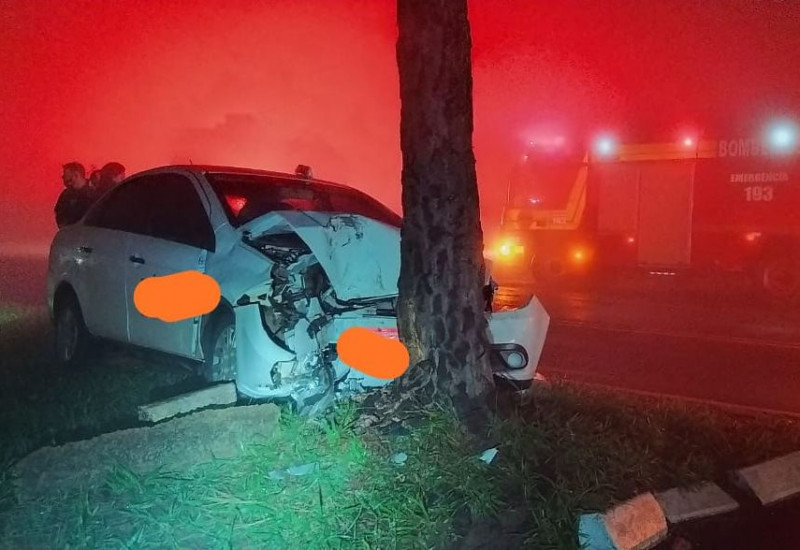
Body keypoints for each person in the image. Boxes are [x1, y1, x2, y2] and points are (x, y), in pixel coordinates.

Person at [55, 162, 97, 228]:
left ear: (76, 175)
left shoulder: (95, 192)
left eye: (69, 180)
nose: (66, 183)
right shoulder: (66, 195)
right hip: (72, 231)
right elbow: (59, 214)